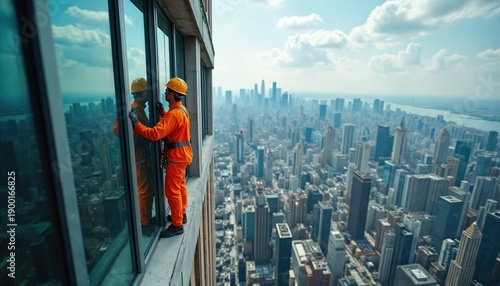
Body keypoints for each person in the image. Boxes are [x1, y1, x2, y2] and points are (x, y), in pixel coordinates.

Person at [129, 77, 193, 238]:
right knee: (180, 187)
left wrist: (136, 124)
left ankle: (177, 225)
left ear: (172, 94)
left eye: (167, 90)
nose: (165, 92)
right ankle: (181, 214)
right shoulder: (181, 110)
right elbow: (175, 125)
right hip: (183, 154)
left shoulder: (174, 115)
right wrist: (162, 112)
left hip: (176, 157)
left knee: (172, 192)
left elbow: (155, 134)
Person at [114, 77, 155, 236]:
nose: (149, 94)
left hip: (142, 159)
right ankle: (144, 224)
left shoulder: (139, 110)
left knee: (148, 191)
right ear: (141, 93)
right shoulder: (133, 110)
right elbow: (117, 130)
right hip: (138, 160)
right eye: (147, 91)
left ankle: (146, 218)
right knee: (144, 192)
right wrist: (137, 135)